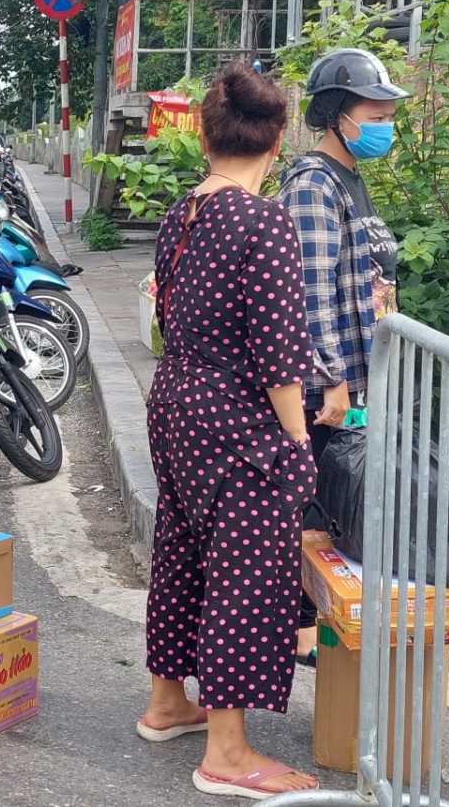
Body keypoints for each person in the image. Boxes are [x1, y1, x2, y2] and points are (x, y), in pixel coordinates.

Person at [136, 63, 319, 799]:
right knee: (246, 574)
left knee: (182, 550)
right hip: (237, 420)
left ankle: (167, 701)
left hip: (176, 403)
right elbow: (280, 357)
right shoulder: (263, 219)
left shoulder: (185, 212)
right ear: (277, 139)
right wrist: (298, 441)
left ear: (206, 139)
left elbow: (167, 314)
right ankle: (229, 753)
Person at [276, 48, 411, 664]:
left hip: (356, 380)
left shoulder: (351, 180)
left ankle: (320, 634)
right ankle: (302, 634)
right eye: (375, 111)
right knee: (310, 508)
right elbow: (308, 293)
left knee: (331, 506)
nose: (385, 121)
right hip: (324, 386)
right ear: (335, 114)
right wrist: (330, 380)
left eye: (389, 111)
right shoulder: (313, 186)